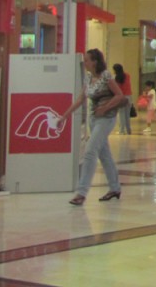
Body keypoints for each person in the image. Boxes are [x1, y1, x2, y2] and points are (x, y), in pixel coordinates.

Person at [58, 48, 125, 205]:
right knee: (104, 154)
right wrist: (64, 116)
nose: (85, 63)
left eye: (87, 60)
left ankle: (81, 193)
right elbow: (80, 99)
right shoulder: (88, 78)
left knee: (89, 152)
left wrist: (105, 108)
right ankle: (115, 188)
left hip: (106, 120)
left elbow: (120, 95)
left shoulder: (106, 76)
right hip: (93, 120)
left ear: (95, 62)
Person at [112, 63, 133, 135]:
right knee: (127, 115)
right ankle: (128, 130)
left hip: (121, 97)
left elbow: (117, 89)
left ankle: (122, 130)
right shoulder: (127, 75)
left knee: (121, 114)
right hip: (129, 96)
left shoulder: (116, 78)